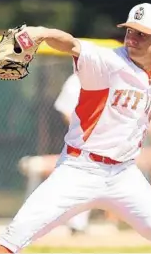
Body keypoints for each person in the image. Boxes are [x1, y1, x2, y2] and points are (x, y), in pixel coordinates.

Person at [0, 2, 151, 254]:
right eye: (130, 31)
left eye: (141, 34)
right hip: (79, 170)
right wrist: (42, 32)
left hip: (124, 175)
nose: (133, 38)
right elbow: (72, 44)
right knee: (12, 239)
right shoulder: (107, 62)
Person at [54, 73, 91, 235]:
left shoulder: (108, 76)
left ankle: (78, 225)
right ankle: (75, 224)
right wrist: (81, 132)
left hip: (101, 141)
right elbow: (66, 111)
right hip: (80, 141)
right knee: (76, 182)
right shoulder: (75, 81)